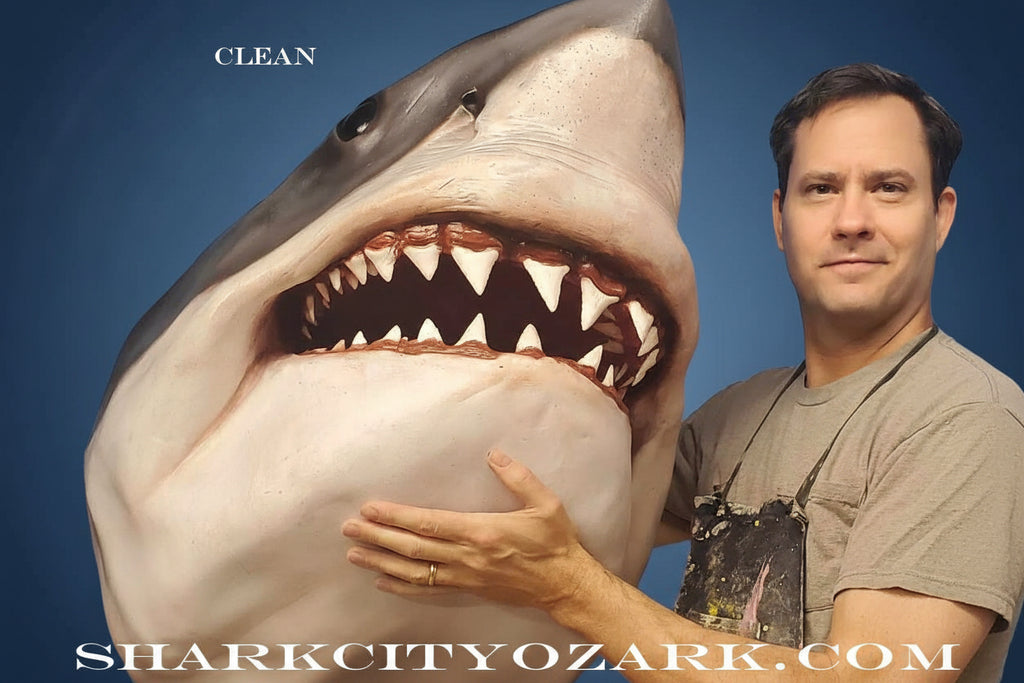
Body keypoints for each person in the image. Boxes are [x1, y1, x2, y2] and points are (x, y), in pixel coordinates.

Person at [341, 64, 1024, 680]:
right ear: (782, 219)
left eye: (889, 188)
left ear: (940, 216)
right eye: (820, 188)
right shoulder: (742, 414)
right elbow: (538, 506)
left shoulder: (967, 418)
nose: (851, 220)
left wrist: (571, 588)